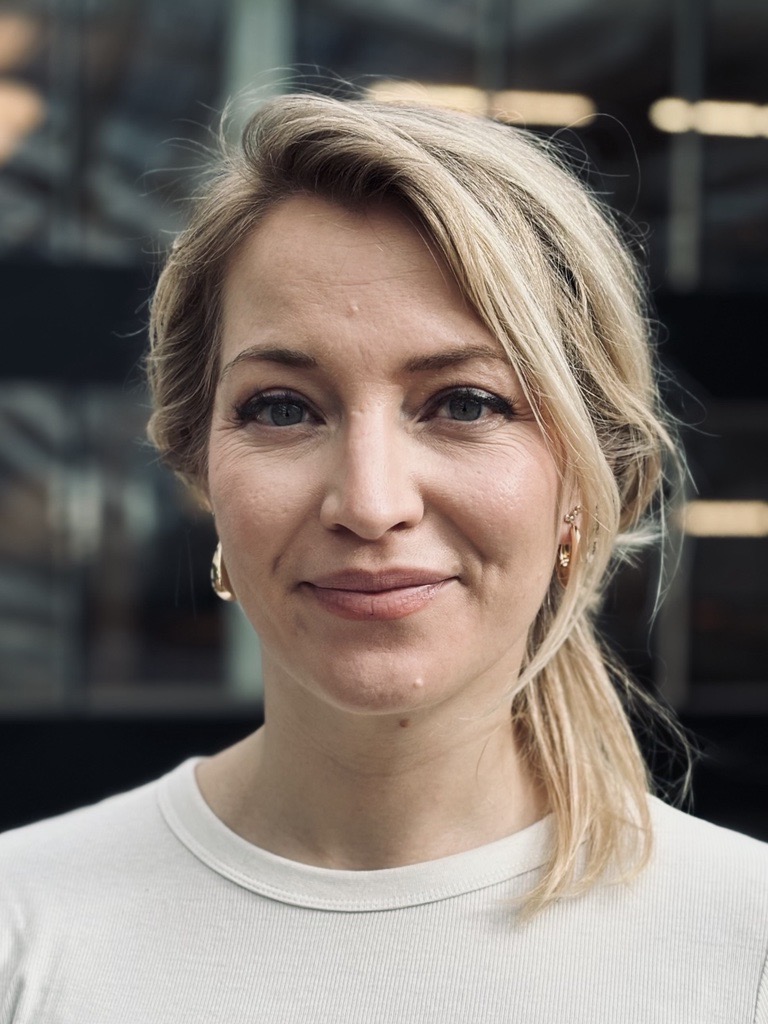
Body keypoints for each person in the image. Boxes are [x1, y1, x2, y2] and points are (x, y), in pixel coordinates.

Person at [1, 93, 766, 1023]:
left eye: (465, 404)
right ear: (199, 470)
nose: (369, 504)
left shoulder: (745, 949)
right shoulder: (24, 929)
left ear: (584, 476)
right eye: (283, 408)